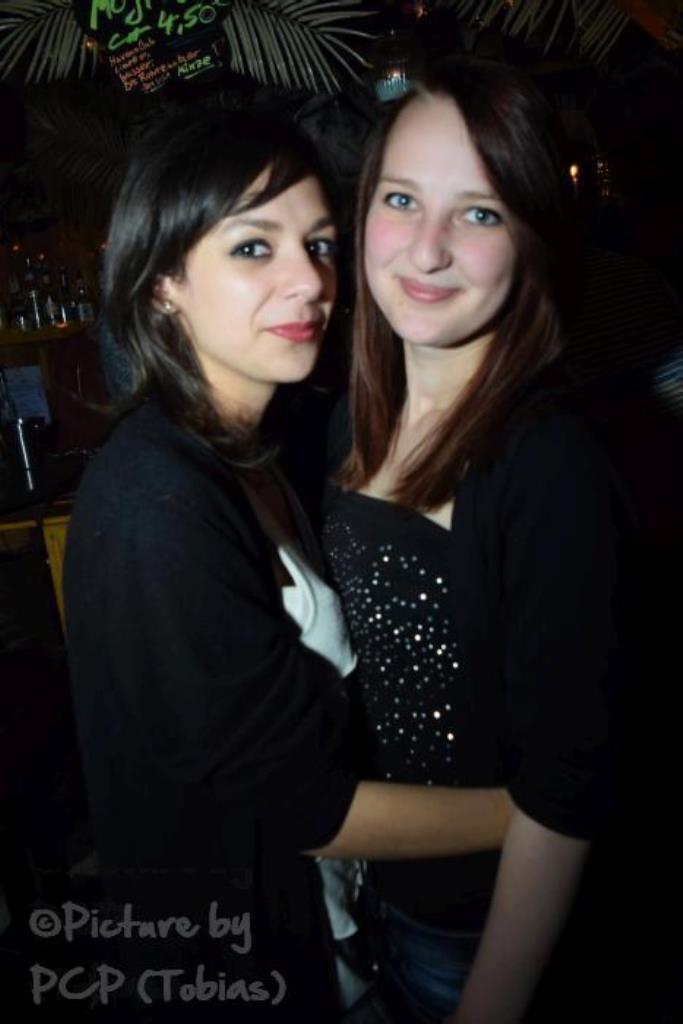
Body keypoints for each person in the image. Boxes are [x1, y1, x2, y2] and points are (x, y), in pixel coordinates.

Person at [63, 108, 513, 1023]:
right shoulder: (154, 503)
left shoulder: (268, 447)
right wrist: (541, 815)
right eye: (252, 247)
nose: (310, 280)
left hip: (340, 936)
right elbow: (303, 810)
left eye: (318, 244)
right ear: (162, 283)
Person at [323, 57, 628, 1024]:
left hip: (481, 943)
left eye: (480, 213)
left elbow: (567, 791)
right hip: (376, 909)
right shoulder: (346, 424)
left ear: (532, 241)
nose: (427, 249)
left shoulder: (547, 468)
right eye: (402, 200)